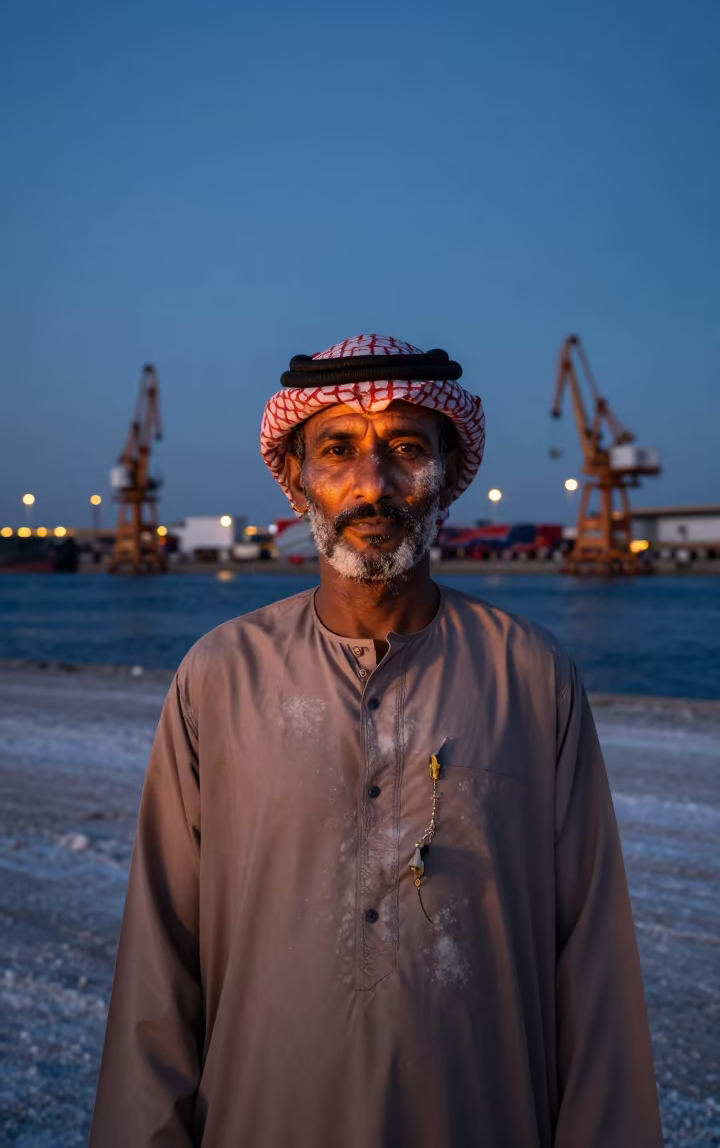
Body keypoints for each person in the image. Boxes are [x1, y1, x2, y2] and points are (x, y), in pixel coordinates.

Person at [90, 334, 662, 1147]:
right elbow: (159, 960)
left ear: (445, 476)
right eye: (337, 450)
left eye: (405, 448)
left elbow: (594, 966)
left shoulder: (532, 677)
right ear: (297, 480)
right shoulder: (218, 677)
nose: (373, 484)